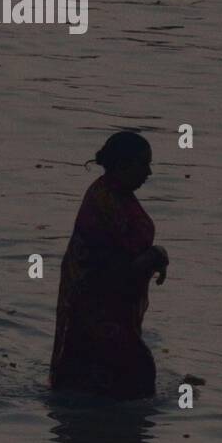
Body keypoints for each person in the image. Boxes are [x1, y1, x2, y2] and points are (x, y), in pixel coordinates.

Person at [50, 132, 167, 400]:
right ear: (123, 165)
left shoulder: (118, 194)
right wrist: (154, 256)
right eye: (143, 164)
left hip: (112, 311)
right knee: (133, 378)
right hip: (97, 311)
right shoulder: (104, 202)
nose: (148, 172)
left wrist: (154, 259)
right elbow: (111, 270)